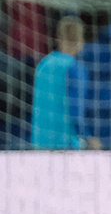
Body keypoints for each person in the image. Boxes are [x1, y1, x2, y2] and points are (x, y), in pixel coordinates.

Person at [30, 16, 96, 149]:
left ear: (58, 39)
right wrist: (88, 138)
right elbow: (75, 110)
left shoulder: (42, 65)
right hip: (66, 144)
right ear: (81, 41)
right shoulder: (75, 68)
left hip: (39, 143)